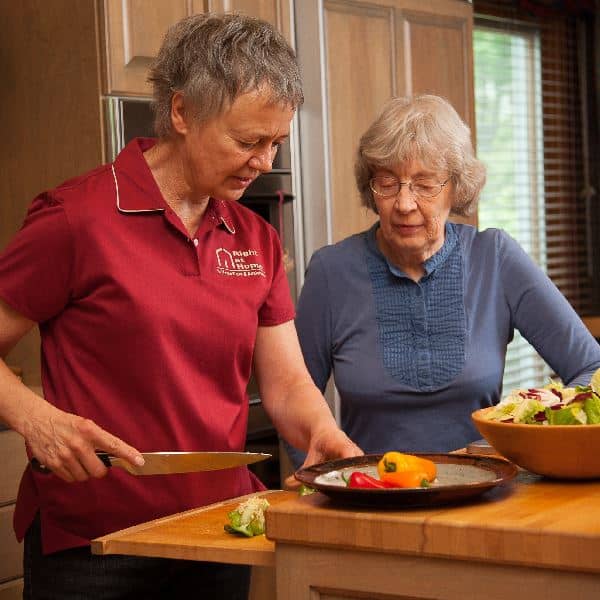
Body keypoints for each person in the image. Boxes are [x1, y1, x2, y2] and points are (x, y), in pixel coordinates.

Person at [0, 13, 361, 600]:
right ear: (181, 112)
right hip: (95, 543)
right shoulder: (76, 219)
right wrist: (34, 418)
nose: (265, 162)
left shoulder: (255, 239)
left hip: (218, 532)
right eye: (247, 141)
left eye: (275, 143)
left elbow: (288, 382)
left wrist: (322, 430)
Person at [287, 94, 600, 467]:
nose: (404, 203)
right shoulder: (331, 272)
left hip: (484, 493)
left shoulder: (495, 258)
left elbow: (590, 368)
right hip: (370, 498)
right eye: (387, 183)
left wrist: (536, 432)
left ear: (457, 186)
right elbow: (294, 400)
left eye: (424, 184)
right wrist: (322, 480)